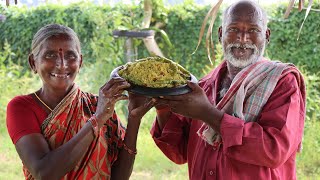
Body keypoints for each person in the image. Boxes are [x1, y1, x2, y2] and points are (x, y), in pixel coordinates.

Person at [149, 1, 306, 179]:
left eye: (253, 30)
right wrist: (161, 106)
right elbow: (178, 152)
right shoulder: (204, 85)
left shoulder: (282, 83)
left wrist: (207, 114)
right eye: (233, 29)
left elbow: (274, 150)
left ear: (267, 36)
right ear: (221, 34)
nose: (243, 38)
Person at [6, 24, 154, 180]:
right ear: (33, 63)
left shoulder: (98, 105)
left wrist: (134, 119)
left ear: (80, 62)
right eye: (50, 55)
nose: (62, 64)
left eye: (71, 55)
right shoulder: (22, 107)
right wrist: (97, 119)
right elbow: (44, 173)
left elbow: (119, 177)